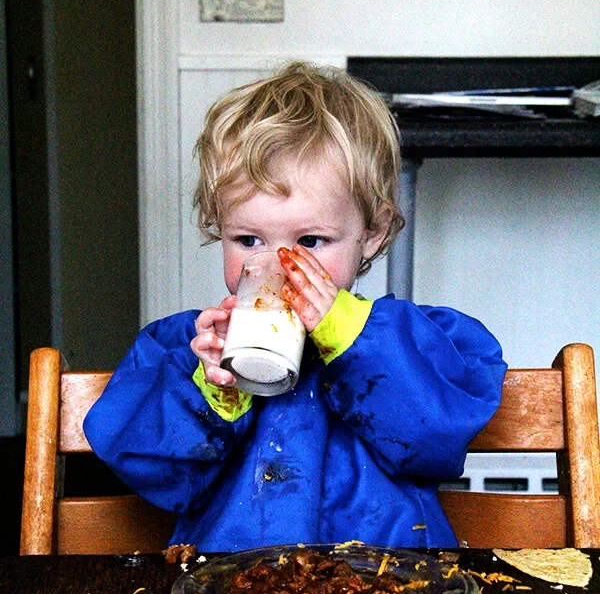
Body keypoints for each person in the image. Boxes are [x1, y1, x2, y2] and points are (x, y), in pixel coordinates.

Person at [83, 61, 507, 551]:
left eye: (310, 239)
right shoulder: (184, 349)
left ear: (371, 233)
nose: (278, 267)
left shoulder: (418, 338)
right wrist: (213, 392)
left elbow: (435, 441)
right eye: (247, 239)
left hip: (385, 587)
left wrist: (350, 334)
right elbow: (159, 479)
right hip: (236, 589)